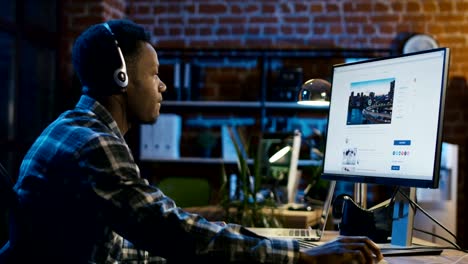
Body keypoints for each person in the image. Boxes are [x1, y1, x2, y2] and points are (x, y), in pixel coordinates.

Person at [0, 19, 383, 263]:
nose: (164, 85)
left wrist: (255, 244)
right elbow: (173, 232)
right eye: (154, 75)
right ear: (122, 78)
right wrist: (302, 257)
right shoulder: (92, 145)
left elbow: (133, 244)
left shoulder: (70, 128)